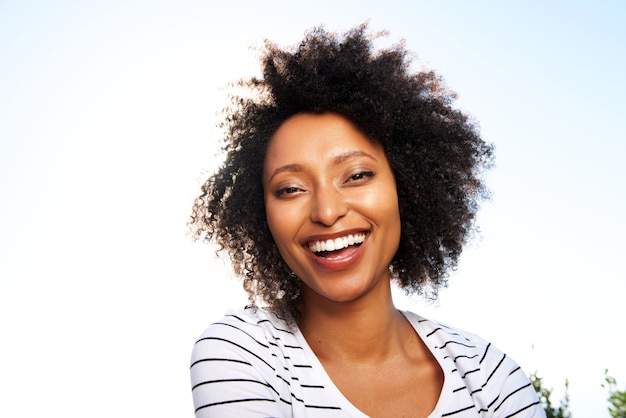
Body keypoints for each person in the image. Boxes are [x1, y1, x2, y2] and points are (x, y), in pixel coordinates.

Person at [188, 24, 545, 417]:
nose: (326, 212)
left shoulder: (492, 380)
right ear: (262, 215)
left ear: (406, 189)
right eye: (290, 188)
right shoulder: (243, 352)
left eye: (357, 175)